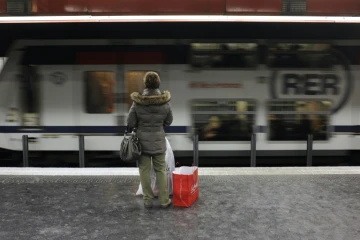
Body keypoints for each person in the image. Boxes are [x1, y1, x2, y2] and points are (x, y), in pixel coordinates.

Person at [127, 72, 173, 209]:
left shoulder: (137, 102)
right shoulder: (165, 102)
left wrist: (140, 125)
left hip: (142, 142)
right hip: (159, 141)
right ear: (158, 84)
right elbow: (169, 121)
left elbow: (130, 121)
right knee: (161, 170)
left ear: (145, 84)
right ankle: (164, 201)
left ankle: (147, 200)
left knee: (144, 170)